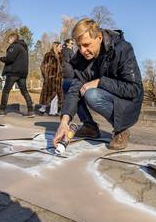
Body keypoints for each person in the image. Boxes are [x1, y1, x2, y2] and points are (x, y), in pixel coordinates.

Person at [53, 18, 143, 150]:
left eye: (86, 44)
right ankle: (90, 126)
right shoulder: (82, 58)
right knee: (68, 84)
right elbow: (75, 89)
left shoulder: (123, 49)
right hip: (105, 91)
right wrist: (64, 122)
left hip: (127, 100)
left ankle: (122, 130)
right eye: (79, 46)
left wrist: (100, 82)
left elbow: (134, 89)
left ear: (99, 37)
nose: (82, 50)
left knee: (92, 95)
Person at [0, 33, 34, 117]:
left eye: (9, 39)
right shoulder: (23, 47)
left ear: (12, 38)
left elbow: (10, 59)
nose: (8, 41)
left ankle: (2, 110)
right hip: (22, 73)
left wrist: (0, 58)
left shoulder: (14, 46)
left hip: (13, 72)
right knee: (24, 91)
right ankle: (30, 111)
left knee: (6, 91)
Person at [38, 42, 63, 116]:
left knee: (55, 95)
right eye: (60, 46)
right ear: (56, 47)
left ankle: (53, 111)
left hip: (58, 79)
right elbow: (43, 66)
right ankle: (42, 109)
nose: (61, 48)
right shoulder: (49, 55)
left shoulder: (61, 56)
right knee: (48, 95)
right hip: (50, 79)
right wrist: (46, 76)